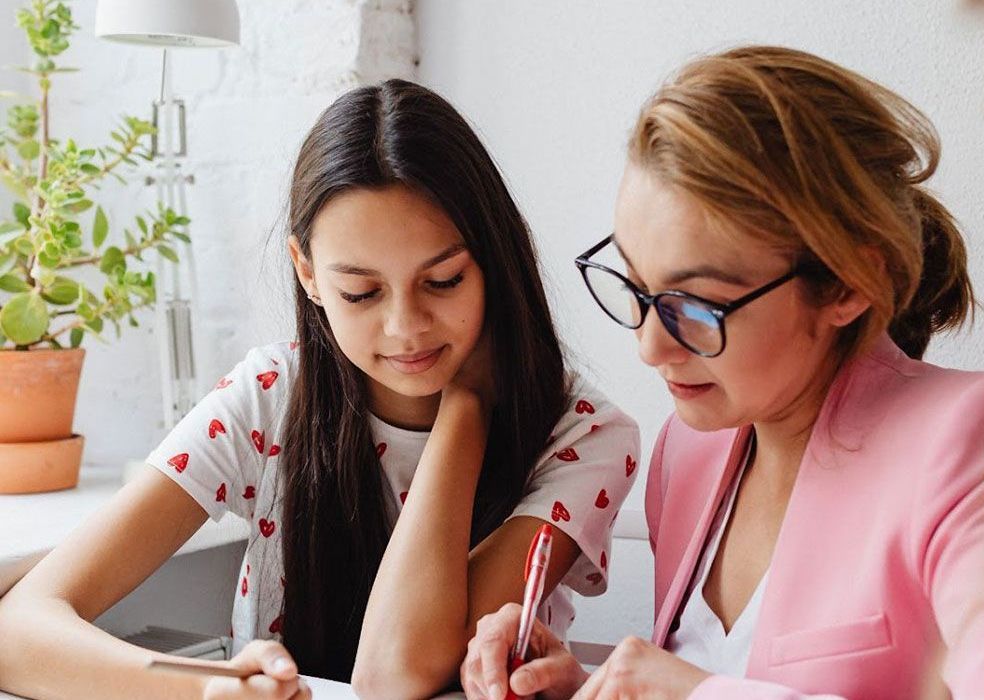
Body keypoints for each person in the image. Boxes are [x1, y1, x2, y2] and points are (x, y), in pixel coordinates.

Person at [0, 80, 639, 700]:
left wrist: (465, 410)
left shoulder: (583, 433)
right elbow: (18, 631)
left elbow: (397, 673)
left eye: (443, 281)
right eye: (360, 292)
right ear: (307, 273)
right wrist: (206, 689)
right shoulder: (270, 396)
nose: (405, 328)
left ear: (494, 263)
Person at [461, 46, 984, 700]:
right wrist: (585, 688)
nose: (650, 348)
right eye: (635, 285)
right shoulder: (690, 451)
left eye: (696, 305)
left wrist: (691, 694)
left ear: (851, 283)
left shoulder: (970, 443)